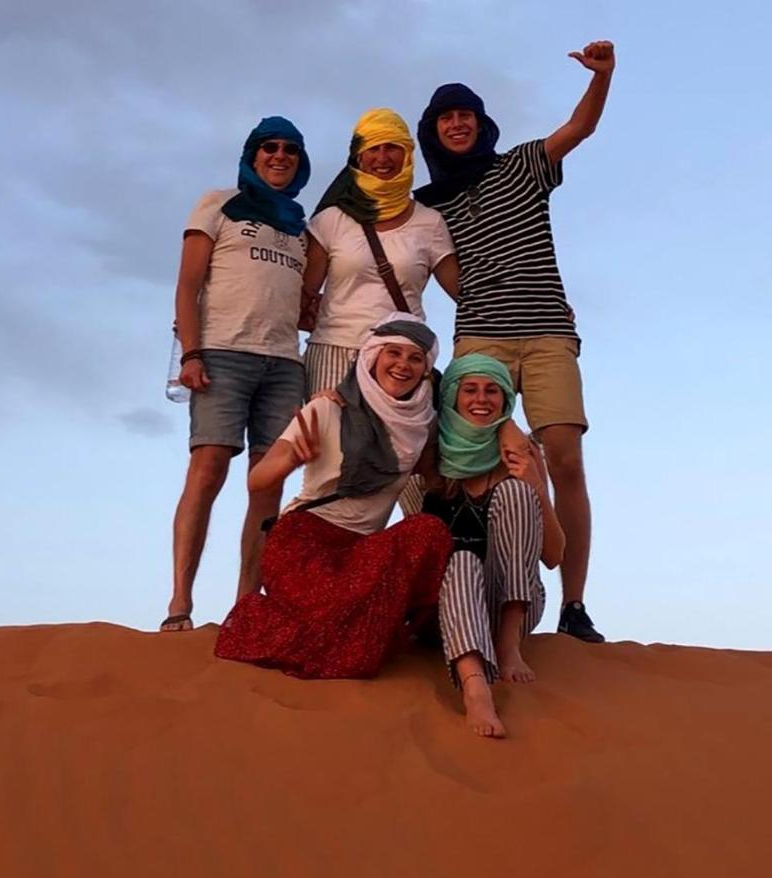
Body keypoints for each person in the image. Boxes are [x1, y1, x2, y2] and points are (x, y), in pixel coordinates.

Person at [413, 40, 616, 642]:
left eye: (466, 115)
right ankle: (452, 589)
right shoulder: (427, 205)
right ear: (433, 131)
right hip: (481, 335)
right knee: (457, 462)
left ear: (481, 124)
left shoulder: (522, 165)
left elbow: (580, 127)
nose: (457, 124)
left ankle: (573, 605)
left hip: (548, 331)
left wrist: (602, 77)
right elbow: (414, 255)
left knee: (566, 459)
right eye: (446, 118)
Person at [214, 314, 454, 678]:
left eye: (415, 358)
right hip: (303, 543)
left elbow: (441, 479)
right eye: (393, 352)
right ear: (373, 356)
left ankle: (356, 633)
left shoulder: (421, 426)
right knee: (354, 644)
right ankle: (259, 623)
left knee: (428, 531)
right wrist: (291, 460)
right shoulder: (328, 409)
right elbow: (257, 481)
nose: (403, 365)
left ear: (425, 369)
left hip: (363, 557)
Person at [161, 116, 311, 632]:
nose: (279, 155)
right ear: (252, 153)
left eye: (290, 149)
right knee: (208, 469)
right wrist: (191, 354)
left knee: (268, 483)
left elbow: (305, 302)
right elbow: (187, 285)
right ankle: (180, 602)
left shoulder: (299, 225)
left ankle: (247, 605)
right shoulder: (218, 204)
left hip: (284, 363)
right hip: (223, 352)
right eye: (269, 147)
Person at [423, 354, 564, 738]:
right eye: (469, 389)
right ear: (451, 396)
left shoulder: (522, 455)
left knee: (516, 493)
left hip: (513, 600)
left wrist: (536, 485)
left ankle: (507, 644)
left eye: (493, 391)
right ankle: (475, 687)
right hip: (451, 604)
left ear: (506, 400)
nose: (481, 399)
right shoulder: (426, 457)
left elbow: (553, 557)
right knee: (462, 560)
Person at [301, 108, 459, 396]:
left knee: (398, 443)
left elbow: (465, 293)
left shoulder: (430, 222)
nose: (382, 158)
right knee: (329, 440)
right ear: (358, 157)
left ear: (408, 155)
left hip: (401, 356)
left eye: (392, 148)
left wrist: (537, 304)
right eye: (373, 148)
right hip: (334, 349)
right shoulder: (330, 219)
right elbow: (303, 293)